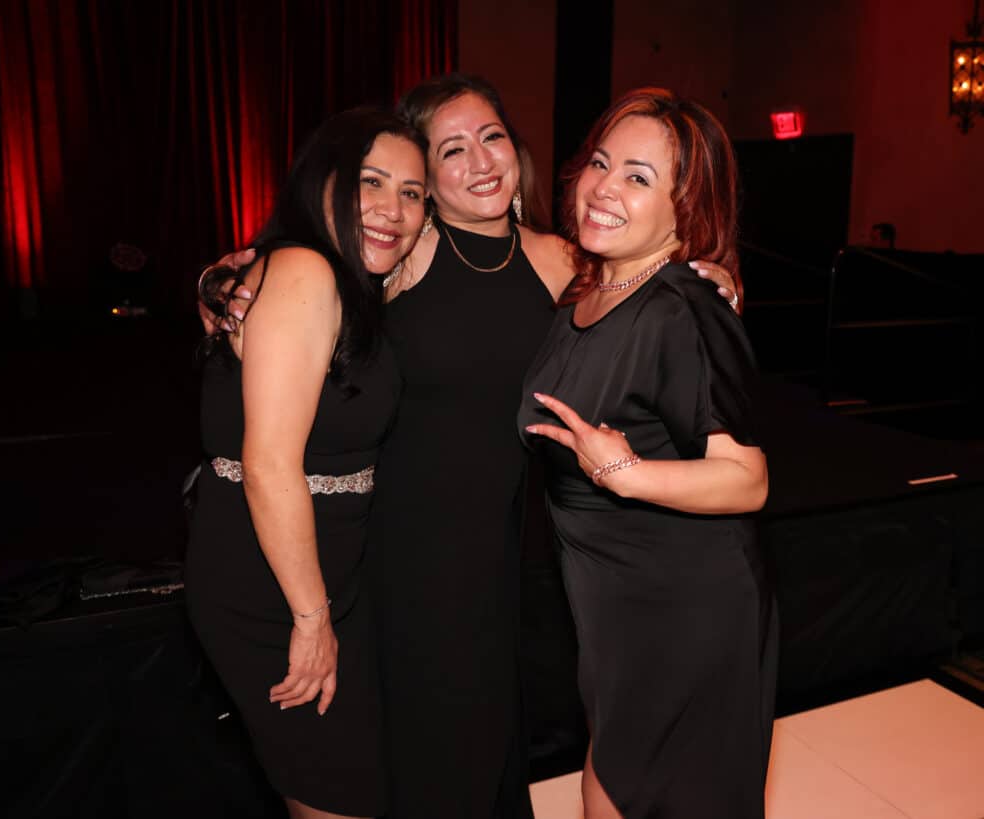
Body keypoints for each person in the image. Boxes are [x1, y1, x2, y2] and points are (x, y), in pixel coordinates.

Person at [199, 73, 741, 819]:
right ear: (426, 177)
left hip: (494, 550)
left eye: (491, 137)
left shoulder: (565, 260)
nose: (480, 161)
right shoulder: (399, 250)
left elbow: (646, 280)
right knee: (398, 748)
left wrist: (705, 275)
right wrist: (222, 278)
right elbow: (293, 275)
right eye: (451, 150)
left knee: (478, 734)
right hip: (386, 550)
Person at [519, 88, 777, 818]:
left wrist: (624, 472)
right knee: (616, 778)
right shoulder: (587, 284)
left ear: (685, 207)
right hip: (613, 603)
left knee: (638, 792)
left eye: (639, 177)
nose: (605, 187)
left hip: (685, 605)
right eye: (602, 163)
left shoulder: (681, 309)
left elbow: (748, 479)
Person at [185, 108, 427, 819]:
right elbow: (267, 465)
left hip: (319, 575)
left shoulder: (347, 277)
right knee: (336, 794)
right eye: (371, 182)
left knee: (341, 786)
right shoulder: (304, 270)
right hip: (272, 586)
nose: (393, 208)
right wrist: (312, 619)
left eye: (412, 193)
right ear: (323, 181)